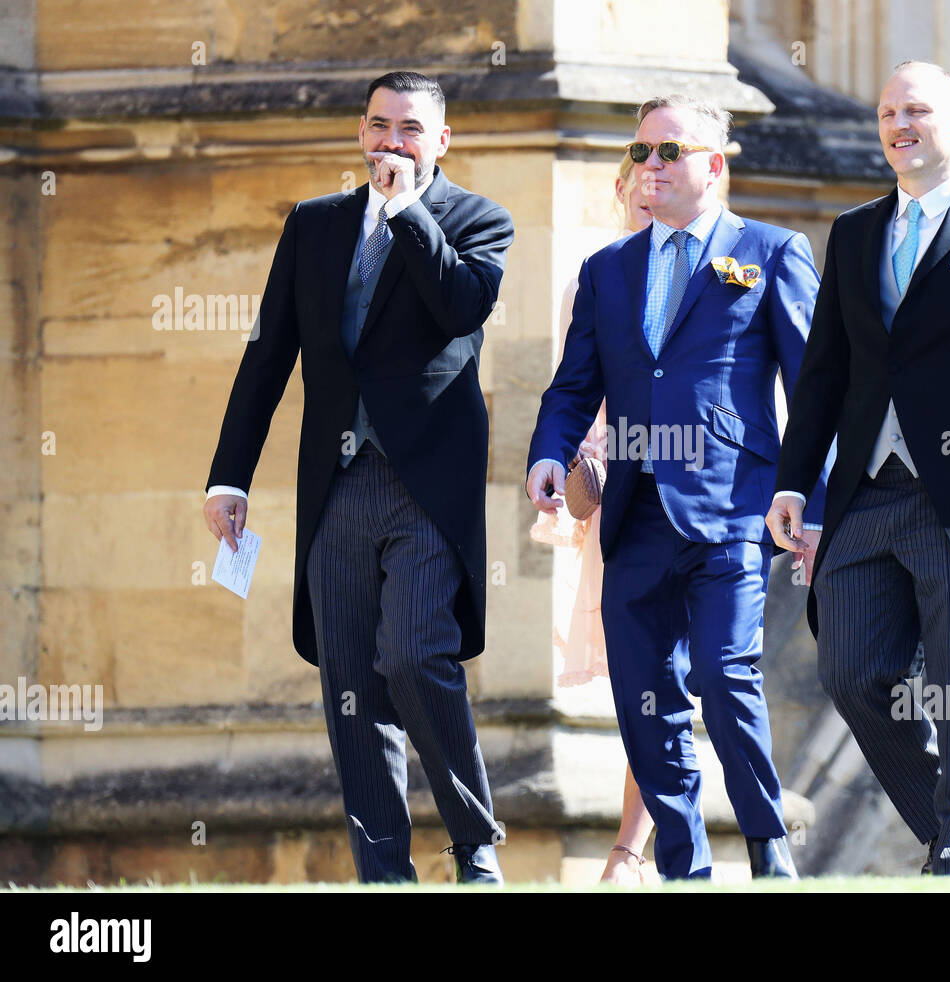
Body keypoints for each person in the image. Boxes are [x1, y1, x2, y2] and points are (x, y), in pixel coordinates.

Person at [202, 71, 513, 885]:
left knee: (414, 658)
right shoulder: (313, 226)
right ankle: (384, 871)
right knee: (349, 681)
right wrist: (227, 478)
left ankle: (475, 844)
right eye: (379, 126)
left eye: (411, 129)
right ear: (360, 131)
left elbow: (460, 308)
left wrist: (407, 211)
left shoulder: (478, 220)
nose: (391, 143)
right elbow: (267, 357)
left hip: (427, 488)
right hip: (336, 484)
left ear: (441, 141)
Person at [767, 60, 950, 875]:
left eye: (919, 111)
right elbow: (824, 371)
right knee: (854, 672)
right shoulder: (857, 231)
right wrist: (796, 480)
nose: (901, 125)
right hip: (866, 493)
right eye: (889, 111)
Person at [526, 95, 830, 880]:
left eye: (668, 151)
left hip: (732, 508)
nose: (649, 166)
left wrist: (814, 503)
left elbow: (817, 388)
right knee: (645, 696)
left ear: (714, 165)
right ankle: (682, 865)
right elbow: (572, 386)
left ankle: (768, 847)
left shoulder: (770, 250)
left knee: (725, 677)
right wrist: (549, 454)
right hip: (633, 515)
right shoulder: (606, 271)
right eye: (639, 153)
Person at [528, 156, 657, 884]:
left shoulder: (733, 261)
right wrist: (575, 460)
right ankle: (630, 851)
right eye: (633, 179)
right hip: (618, 509)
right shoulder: (598, 277)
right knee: (640, 681)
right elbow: (574, 390)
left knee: (694, 679)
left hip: (705, 506)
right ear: (616, 192)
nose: (649, 187)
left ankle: (639, 849)